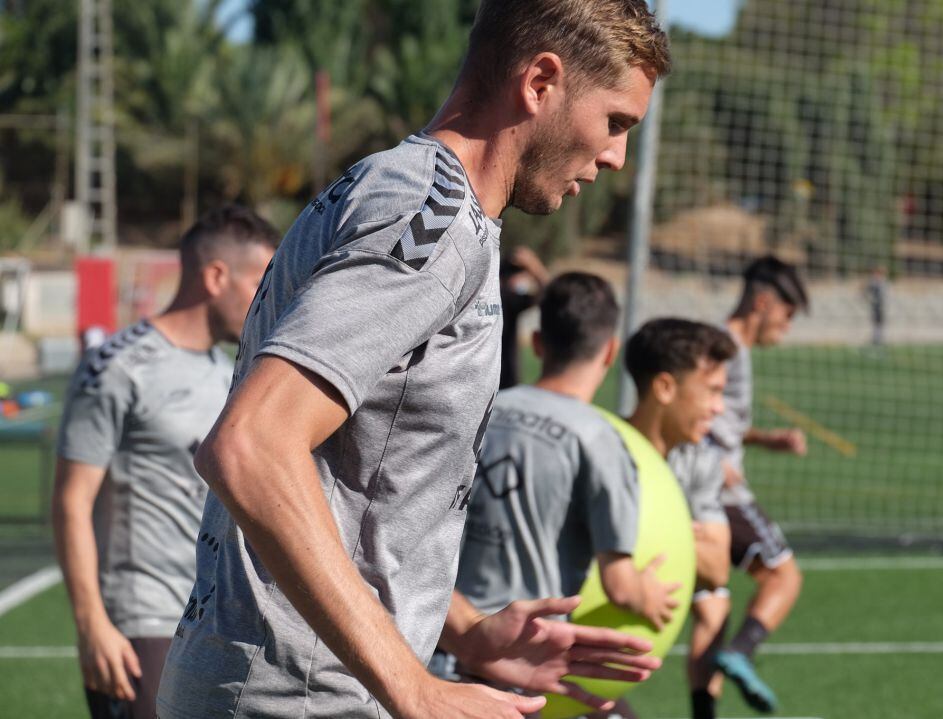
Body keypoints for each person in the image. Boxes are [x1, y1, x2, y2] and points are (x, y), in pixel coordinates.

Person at [157, 3, 672, 718]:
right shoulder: (427, 218)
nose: (616, 156)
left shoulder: (420, 200)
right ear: (542, 80)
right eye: (615, 122)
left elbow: (357, 490)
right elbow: (252, 444)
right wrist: (415, 685)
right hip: (301, 699)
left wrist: (466, 632)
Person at [52, 205, 279, 719]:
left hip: (213, 615)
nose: (268, 300)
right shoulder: (119, 366)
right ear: (216, 276)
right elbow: (72, 500)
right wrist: (92, 624)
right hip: (144, 620)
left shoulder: (229, 371)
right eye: (259, 284)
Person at [449, 273, 680, 714]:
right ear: (610, 351)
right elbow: (620, 585)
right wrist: (652, 594)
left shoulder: (488, 407)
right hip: (523, 656)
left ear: (537, 343)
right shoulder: (599, 438)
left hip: (446, 636)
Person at [671, 255, 810, 714]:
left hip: (686, 495)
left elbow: (722, 423)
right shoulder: (724, 345)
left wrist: (769, 439)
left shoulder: (729, 347)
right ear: (764, 302)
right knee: (783, 576)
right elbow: (687, 407)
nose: (786, 328)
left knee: (712, 612)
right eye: (787, 316)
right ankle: (743, 652)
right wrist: (713, 457)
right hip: (717, 495)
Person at [622, 318, 740, 719]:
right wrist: (683, 537)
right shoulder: (601, 452)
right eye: (711, 392)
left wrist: (643, 536)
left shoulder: (702, 462)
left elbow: (717, 568)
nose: (719, 408)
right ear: (665, 388)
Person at [500, 246, 550, 389]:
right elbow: (550, 294)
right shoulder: (508, 298)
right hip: (505, 378)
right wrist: (534, 266)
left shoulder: (492, 296)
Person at [863, 265, 887, 348]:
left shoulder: (881, 282)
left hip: (880, 306)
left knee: (880, 323)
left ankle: (878, 340)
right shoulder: (874, 282)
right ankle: (876, 341)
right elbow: (864, 290)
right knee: (877, 323)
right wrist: (870, 300)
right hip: (876, 307)